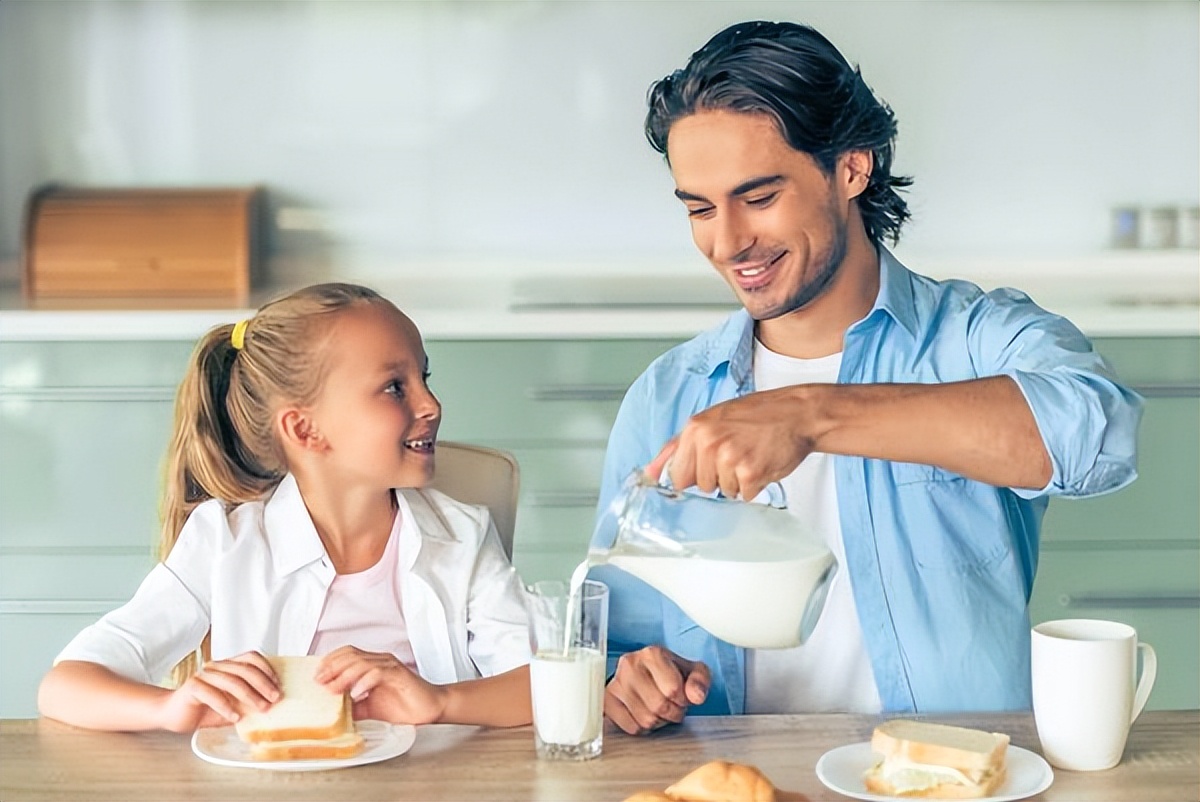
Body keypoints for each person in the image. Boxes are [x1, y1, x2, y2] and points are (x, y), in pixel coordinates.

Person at [591, 21, 1142, 734]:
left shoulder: (975, 340)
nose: (726, 243)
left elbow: (1099, 436)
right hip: (740, 779)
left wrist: (810, 414)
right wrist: (631, 682)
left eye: (758, 198)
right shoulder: (670, 395)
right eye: (699, 208)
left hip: (949, 774)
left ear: (852, 168)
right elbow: (617, 647)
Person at [38, 283, 533, 732]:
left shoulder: (463, 538)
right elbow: (65, 686)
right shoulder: (225, 543)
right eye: (394, 387)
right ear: (304, 430)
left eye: (422, 377)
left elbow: (547, 683)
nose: (431, 404)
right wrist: (169, 708)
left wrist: (440, 702)